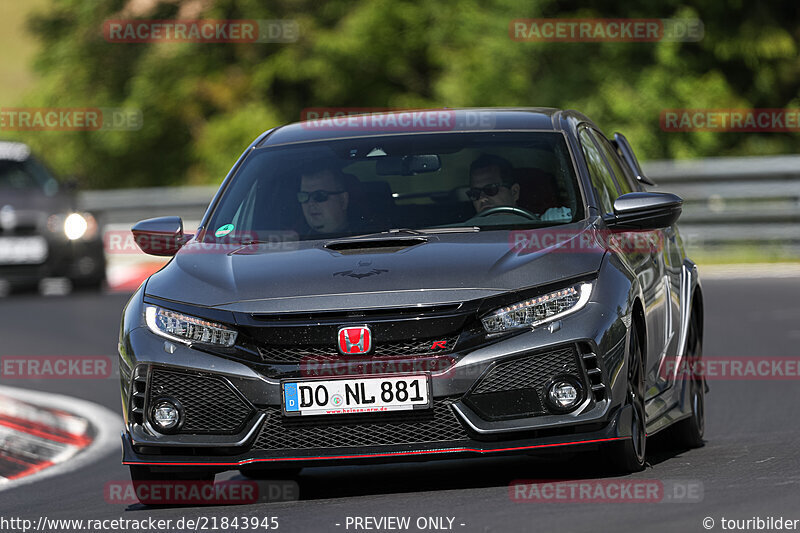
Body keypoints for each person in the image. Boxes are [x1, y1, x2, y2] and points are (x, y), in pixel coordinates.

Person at [297, 168, 350, 234]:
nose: (310, 203)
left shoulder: (364, 237)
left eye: (319, 195)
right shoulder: (293, 241)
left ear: (343, 200)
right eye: (304, 196)